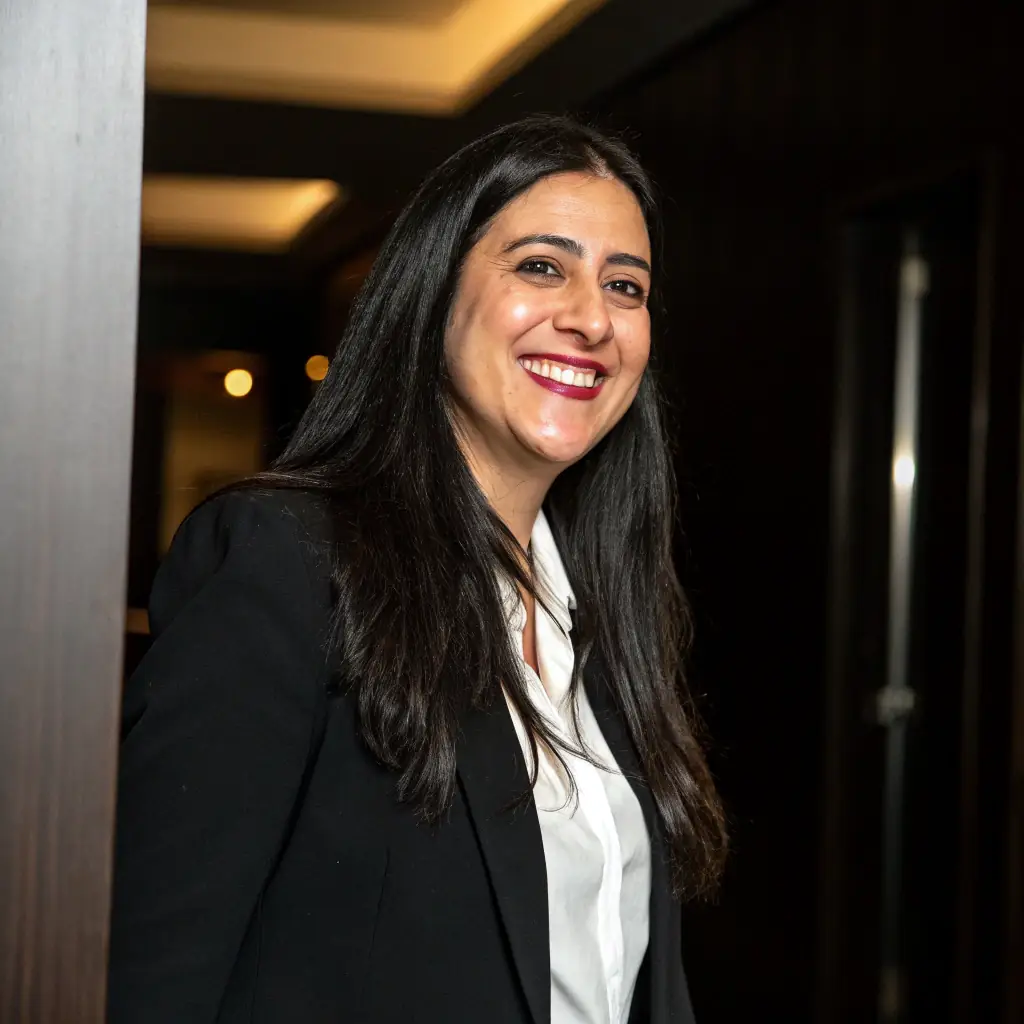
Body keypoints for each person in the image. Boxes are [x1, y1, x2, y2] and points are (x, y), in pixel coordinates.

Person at [107, 114, 727, 1024]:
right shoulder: (287, 563)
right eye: (541, 266)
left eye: (625, 285)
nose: (591, 317)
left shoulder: (605, 613)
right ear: (433, 292)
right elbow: (150, 981)